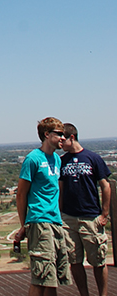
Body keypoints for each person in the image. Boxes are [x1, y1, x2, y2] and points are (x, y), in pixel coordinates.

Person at [15, 117, 71, 296]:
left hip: (55, 221)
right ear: (47, 135)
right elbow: (21, 194)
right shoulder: (33, 159)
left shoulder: (57, 159)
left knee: (52, 278)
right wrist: (24, 225)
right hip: (39, 221)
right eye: (59, 134)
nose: (63, 138)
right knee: (41, 277)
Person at [59, 122, 111, 296]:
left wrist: (104, 214)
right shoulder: (62, 161)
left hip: (91, 216)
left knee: (98, 260)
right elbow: (60, 189)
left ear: (71, 137)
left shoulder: (93, 158)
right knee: (74, 260)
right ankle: (84, 294)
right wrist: (60, 214)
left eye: (62, 139)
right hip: (69, 217)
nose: (60, 143)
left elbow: (105, 186)